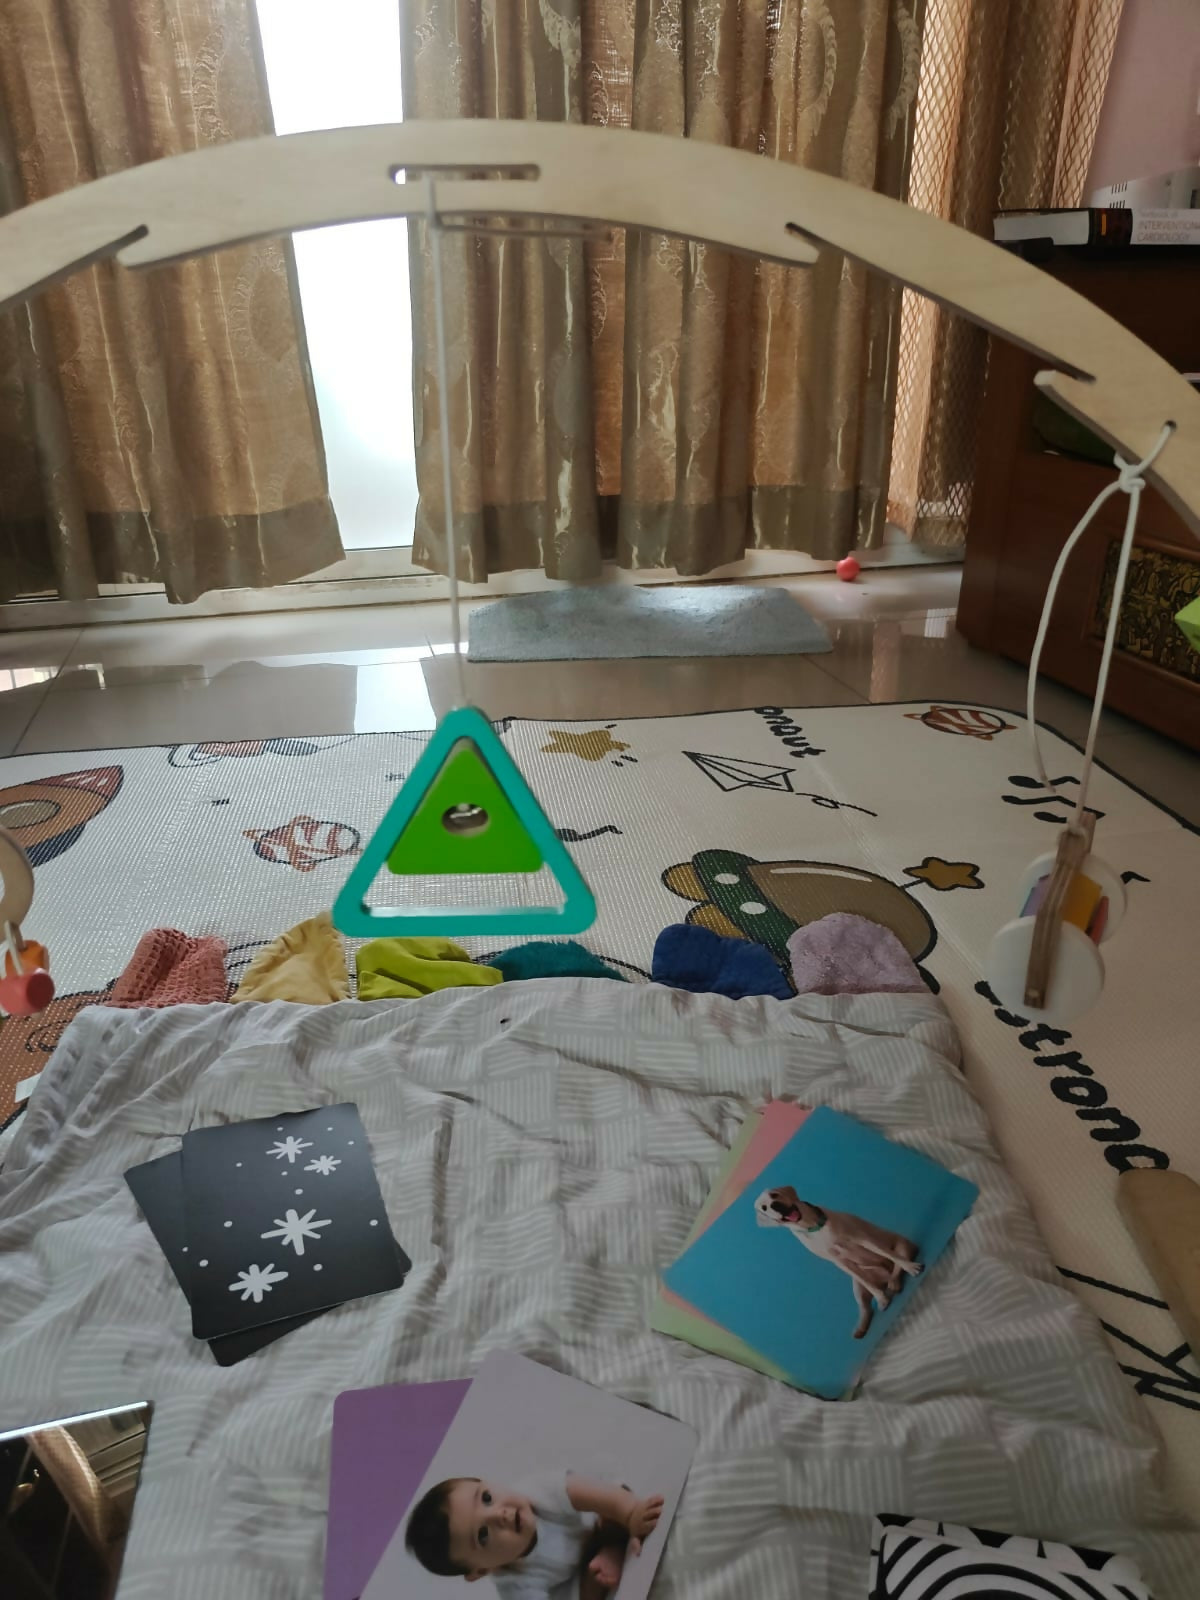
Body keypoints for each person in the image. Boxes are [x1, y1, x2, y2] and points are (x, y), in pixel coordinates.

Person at [405, 1470, 664, 1598]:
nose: (499, 1514)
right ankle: (610, 1554)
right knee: (586, 1591)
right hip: (580, 1569)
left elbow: (594, 1495)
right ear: (481, 1570)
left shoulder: (540, 1491)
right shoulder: (515, 1587)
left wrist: (631, 1514)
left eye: (486, 1498)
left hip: (594, 1519)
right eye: (483, 1535)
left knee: (611, 1502)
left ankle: (619, 1530)